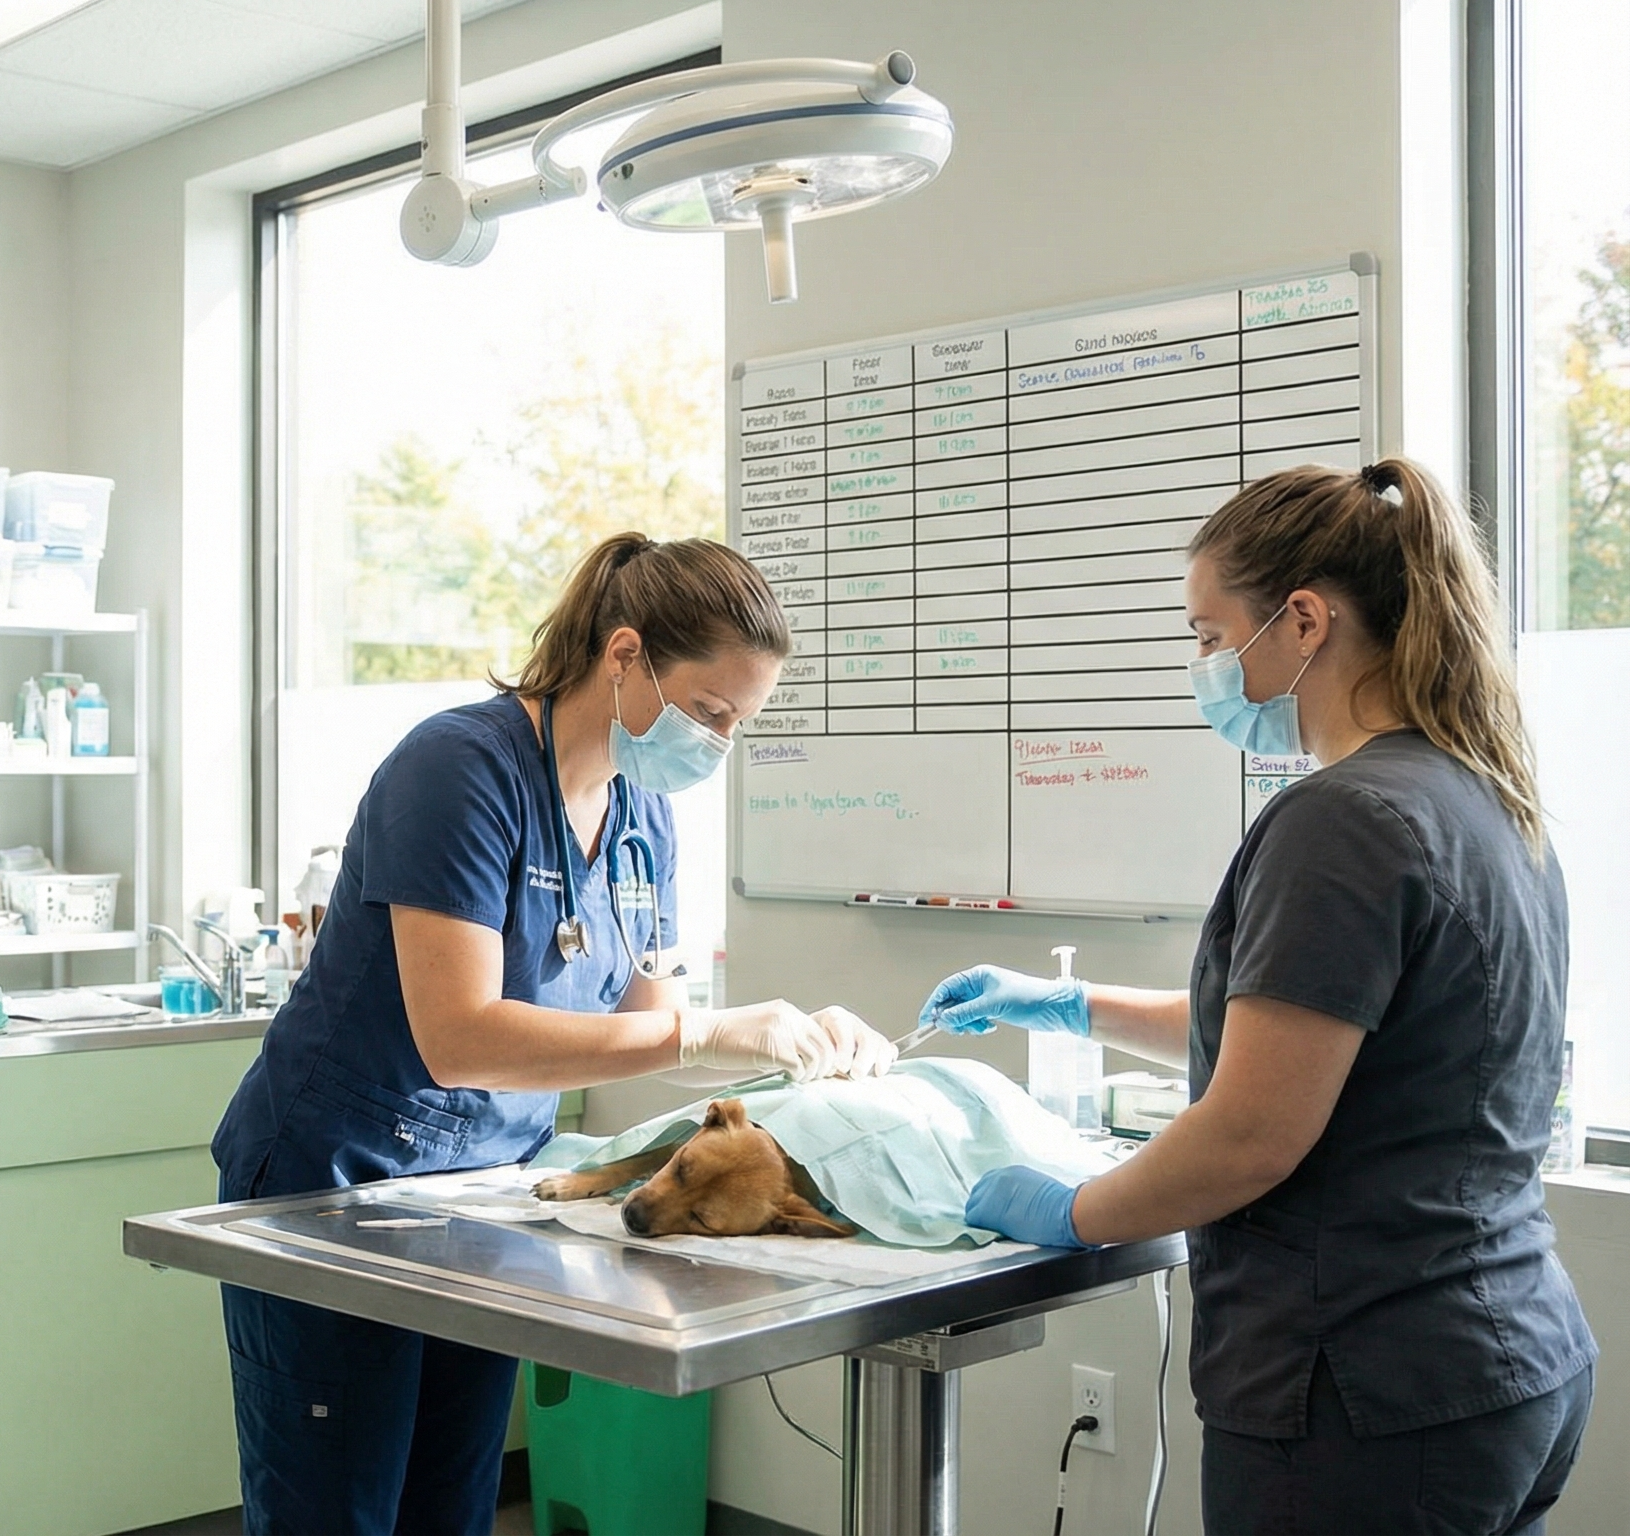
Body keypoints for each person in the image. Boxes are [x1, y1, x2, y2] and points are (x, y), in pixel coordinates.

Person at [926, 459, 1596, 1536]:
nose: (1200, 664)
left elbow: (1248, 1135)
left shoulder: (1342, 819)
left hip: (1366, 1393)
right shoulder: (1481, 798)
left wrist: (1073, 1211)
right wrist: (1068, 1005)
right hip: (1510, 1362)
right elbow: (1313, 1033)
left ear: (1301, 620)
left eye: (1205, 634)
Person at [210, 532, 896, 1535]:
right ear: (624, 656)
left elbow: (650, 1029)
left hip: (484, 1192)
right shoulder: (457, 769)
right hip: (337, 1176)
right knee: (339, 1507)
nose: (716, 743)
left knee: (452, 1501)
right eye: (709, 713)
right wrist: (713, 1033)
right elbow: (460, 1038)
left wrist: (793, 1054)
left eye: (738, 725)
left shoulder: (640, 819)